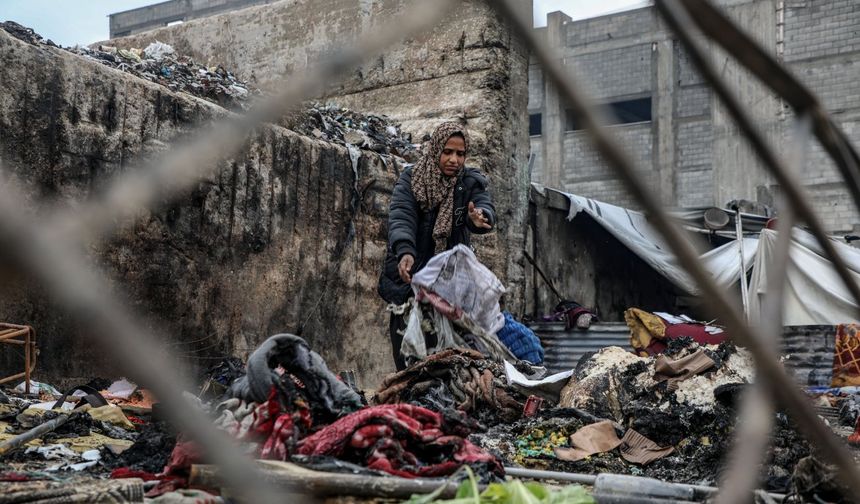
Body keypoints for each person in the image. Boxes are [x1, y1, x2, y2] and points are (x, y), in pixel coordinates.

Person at [377, 121, 496, 370]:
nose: (454, 159)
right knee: (408, 352)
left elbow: (482, 205)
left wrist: (480, 217)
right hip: (411, 278)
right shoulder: (412, 179)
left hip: (449, 283)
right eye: (447, 152)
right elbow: (402, 216)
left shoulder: (469, 183)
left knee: (448, 355)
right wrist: (405, 251)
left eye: (460, 154)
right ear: (435, 150)